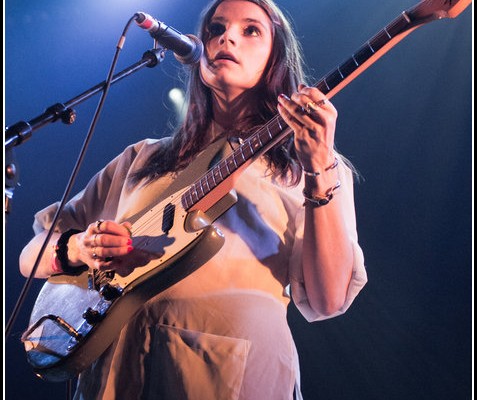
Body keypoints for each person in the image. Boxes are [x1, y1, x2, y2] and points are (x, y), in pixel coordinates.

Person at [19, 0, 367, 398]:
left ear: (277, 58)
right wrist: (81, 247)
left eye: (251, 30)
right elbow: (32, 256)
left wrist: (319, 169)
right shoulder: (143, 158)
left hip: (230, 376)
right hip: (116, 374)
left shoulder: (310, 167)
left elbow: (328, 299)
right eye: (216, 28)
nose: (226, 36)